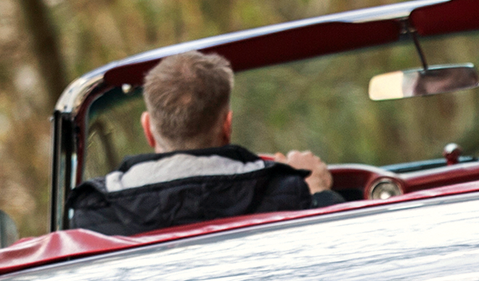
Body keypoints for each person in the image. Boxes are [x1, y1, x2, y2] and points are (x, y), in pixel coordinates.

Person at [69, 51, 341, 235]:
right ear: (227, 126)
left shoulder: (94, 213)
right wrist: (317, 191)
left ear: (148, 130)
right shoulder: (284, 192)